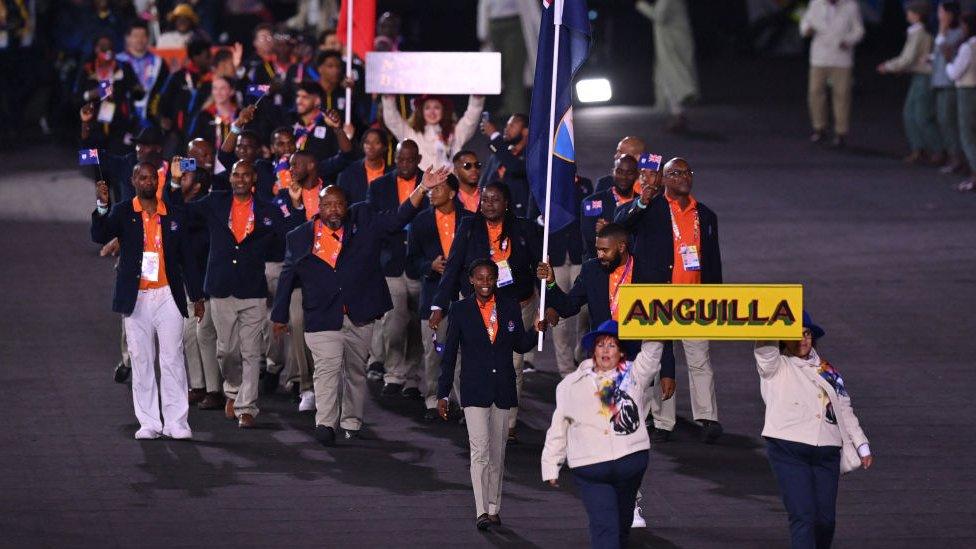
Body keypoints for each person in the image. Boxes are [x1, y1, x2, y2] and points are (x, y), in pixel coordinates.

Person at [271, 173, 441, 445]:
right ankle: (325, 423)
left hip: (359, 313)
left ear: (347, 206)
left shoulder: (364, 220)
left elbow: (398, 218)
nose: (333, 210)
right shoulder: (299, 237)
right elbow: (287, 277)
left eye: (338, 204)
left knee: (354, 371)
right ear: (318, 208)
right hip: (321, 314)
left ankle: (351, 422)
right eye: (327, 205)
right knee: (326, 369)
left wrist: (422, 188)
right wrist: (279, 316)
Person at [175, 160, 291, 429]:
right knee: (227, 351)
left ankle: (246, 407)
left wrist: (290, 206)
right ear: (230, 179)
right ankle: (232, 389)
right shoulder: (214, 202)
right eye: (235, 174)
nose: (240, 179)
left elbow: (286, 239)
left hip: (252, 290)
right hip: (221, 287)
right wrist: (177, 185)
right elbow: (181, 213)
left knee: (251, 352)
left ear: (254, 180)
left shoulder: (268, 210)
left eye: (245, 175)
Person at [615, 158, 724, 443]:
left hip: (695, 300)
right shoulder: (650, 209)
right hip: (658, 297)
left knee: (700, 359)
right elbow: (619, 224)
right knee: (656, 357)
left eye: (687, 172)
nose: (683, 177)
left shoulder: (706, 215)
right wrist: (640, 202)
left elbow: (713, 261)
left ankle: (708, 418)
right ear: (663, 180)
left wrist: (716, 297)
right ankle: (663, 421)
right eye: (675, 173)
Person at [91, 163, 203, 440]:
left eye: (152, 177)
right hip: (136, 297)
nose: (148, 181)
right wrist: (103, 206)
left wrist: (197, 295)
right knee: (142, 359)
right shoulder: (123, 211)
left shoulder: (173, 213)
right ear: (133, 181)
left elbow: (187, 257)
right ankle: (150, 421)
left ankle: (177, 422)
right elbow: (99, 235)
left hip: (168, 294)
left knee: (173, 358)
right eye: (142, 177)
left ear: (159, 181)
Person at [435, 258, 545, 530]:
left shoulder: (508, 306)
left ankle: (494, 508)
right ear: (471, 280)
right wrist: (443, 393)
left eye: (490, 278)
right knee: (480, 451)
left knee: (498, 452)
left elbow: (519, 344)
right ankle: (481, 511)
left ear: (496, 279)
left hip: (503, 389)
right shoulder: (460, 310)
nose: (485, 282)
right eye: (479, 278)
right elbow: (449, 356)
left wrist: (537, 329)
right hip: (473, 389)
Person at [430, 181, 543, 442]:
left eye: (495, 200)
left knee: (512, 364)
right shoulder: (469, 227)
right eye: (485, 200)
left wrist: (550, 302)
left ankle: (508, 423)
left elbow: (539, 267)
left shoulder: (524, 228)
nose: (488, 205)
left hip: (515, 306)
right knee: (469, 360)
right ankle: (474, 411)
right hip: (474, 307)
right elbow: (454, 266)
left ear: (506, 204)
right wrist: (439, 304)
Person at [755, 312, 873, 549]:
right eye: (794, 335)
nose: (802, 340)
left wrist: (862, 444)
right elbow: (765, 351)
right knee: (803, 516)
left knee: (825, 521)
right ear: (783, 338)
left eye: (806, 333)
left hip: (826, 452)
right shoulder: (776, 365)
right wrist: (769, 319)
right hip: (788, 450)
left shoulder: (827, 369)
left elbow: (844, 407)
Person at [541, 320, 659, 549]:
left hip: (629, 463)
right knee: (605, 525)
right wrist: (551, 464)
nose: (605, 350)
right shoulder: (571, 384)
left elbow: (653, 352)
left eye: (612, 345)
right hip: (592, 466)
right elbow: (559, 425)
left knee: (621, 526)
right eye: (601, 345)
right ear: (593, 350)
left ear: (621, 351)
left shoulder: (635, 373)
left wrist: (657, 316)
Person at [407, 174, 473, 420]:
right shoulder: (420, 222)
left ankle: (466, 405)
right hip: (433, 295)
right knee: (434, 351)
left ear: (453, 193)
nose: (432, 192)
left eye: (438, 188)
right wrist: (429, 266)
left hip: (464, 296)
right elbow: (410, 264)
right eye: (431, 188)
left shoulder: (470, 220)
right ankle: (434, 400)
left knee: (464, 354)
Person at [368, 140, 428, 398]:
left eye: (411, 160)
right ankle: (393, 373)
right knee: (394, 322)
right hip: (391, 263)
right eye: (401, 159)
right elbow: (377, 223)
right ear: (395, 159)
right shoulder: (379, 186)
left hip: (420, 264)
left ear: (419, 159)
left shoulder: (430, 182)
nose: (405, 164)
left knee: (417, 324)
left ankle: (412, 377)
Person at [171, 141, 226, 410]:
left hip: (210, 286)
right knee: (188, 334)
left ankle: (217, 390)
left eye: (187, 177)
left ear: (198, 186)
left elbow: (178, 214)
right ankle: (199, 385)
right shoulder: (183, 206)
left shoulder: (202, 209)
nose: (182, 179)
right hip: (190, 285)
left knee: (204, 333)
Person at [877, 2, 943, 166]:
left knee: (921, 115)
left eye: (910, 11)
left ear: (917, 14)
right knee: (911, 113)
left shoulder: (919, 33)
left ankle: (938, 149)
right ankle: (920, 148)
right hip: (919, 75)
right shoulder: (918, 32)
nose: (907, 14)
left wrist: (889, 66)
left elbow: (908, 58)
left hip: (924, 77)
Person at [800, 0, 864, 148]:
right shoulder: (815, 4)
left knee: (842, 95)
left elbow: (859, 30)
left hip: (841, 58)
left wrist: (848, 41)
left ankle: (841, 132)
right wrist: (806, 30)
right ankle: (819, 128)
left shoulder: (851, 6)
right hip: (819, 57)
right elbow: (805, 22)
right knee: (815, 92)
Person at [635, 0, 699, 133]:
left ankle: (680, 111)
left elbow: (659, 16)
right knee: (667, 79)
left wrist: (641, 5)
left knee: (675, 77)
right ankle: (677, 114)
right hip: (668, 44)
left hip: (673, 44)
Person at [74, 33, 142, 153]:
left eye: (109, 47)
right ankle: (91, 169)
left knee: (117, 158)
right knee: (90, 162)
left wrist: (137, 89)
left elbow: (137, 93)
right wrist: (91, 94)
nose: (107, 50)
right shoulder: (87, 69)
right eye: (103, 47)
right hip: (93, 122)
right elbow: (75, 97)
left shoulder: (124, 67)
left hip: (118, 121)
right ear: (95, 49)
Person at [381, 93, 485, 169]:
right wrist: (389, 98)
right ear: (421, 111)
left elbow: (471, 119)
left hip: (449, 191)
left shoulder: (455, 133)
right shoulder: (411, 133)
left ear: (444, 110)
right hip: (421, 191)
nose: (432, 112)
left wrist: (477, 98)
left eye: (436, 107)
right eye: (427, 108)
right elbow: (392, 120)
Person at [476, 0, 540, 119]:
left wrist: (540, 27)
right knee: (501, 69)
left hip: (514, 24)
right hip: (494, 25)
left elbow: (531, 6)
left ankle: (517, 110)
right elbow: (484, 4)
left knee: (514, 68)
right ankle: (508, 105)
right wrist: (482, 32)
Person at [581, 155, 639, 261]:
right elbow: (589, 240)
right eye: (620, 172)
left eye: (629, 173)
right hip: (600, 268)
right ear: (613, 172)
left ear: (637, 175)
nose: (624, 177)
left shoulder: (642, 204)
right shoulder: (593, 202)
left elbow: (643, 242)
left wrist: (609, 231)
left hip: (632, 268)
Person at [157, 37, 214, 145]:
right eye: (207, 56)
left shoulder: (213, 79)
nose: (210, 59)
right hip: (177, 135)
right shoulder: (178, 77)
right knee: (178, 161)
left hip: (203, 134)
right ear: (196, 57)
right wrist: (162, 118)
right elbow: (162, 100)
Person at [932, 1, 966, 175]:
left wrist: (942, 31)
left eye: (941, 12)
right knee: (943, 120)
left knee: (949, 121)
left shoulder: (958, 33)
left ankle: (956, 158)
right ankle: (952, 155)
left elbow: (948, 53)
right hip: (939, 80)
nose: (939, 15)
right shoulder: (943, 32)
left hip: (949, 83)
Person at [117, 21, 169, 128]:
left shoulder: (159, 62)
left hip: (152, 118)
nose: (140, 40)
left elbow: (164, 90)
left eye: (143, 36)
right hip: (123, 118)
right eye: (135, 36)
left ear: (148, 38)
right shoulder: (117, 61)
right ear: (127, 38)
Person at [479, 113, 530, 218]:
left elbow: (515, 167)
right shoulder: (498, 155)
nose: (506, 129)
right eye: (506, 125)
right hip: (492, 218)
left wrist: (494, 136)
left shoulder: (532, 156)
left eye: (512, 126)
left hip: (519, 217)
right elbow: (484, 183)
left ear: (525, 131)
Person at [946, 12, 976, 192]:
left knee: (967, 135)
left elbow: (954, 73)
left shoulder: (967, 47)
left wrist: (948, 60)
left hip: (967, 91)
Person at [337, 127, 389, 205]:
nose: (370, 147)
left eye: (376, 143)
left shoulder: (393, 173)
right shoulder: (348, 174)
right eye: (367, 142)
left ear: (384, 147)